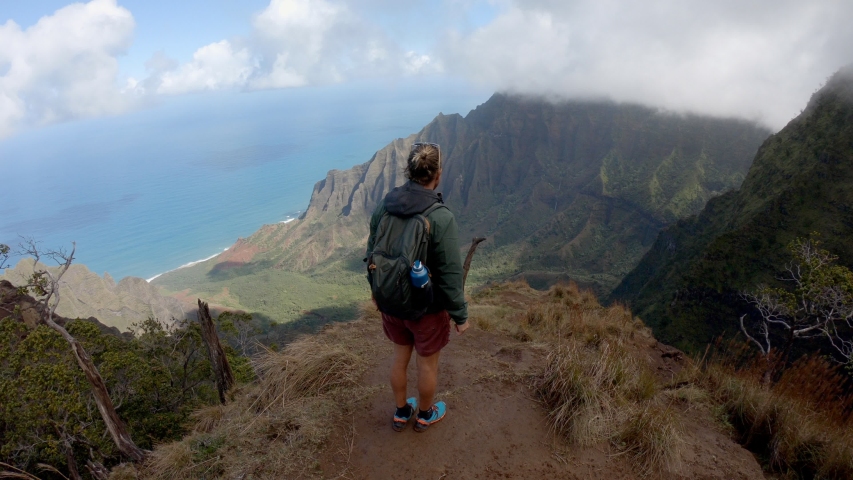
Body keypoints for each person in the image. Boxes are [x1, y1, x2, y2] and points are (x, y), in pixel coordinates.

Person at [365, 141, 469, 433]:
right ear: (438, 174)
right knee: (427, 365)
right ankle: (424, 415)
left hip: (391, 302)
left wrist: (377, 292)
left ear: (408, 171)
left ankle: (401, 412)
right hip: (426, 308)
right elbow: (449, 272)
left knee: (400, 358)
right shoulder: (440, 216)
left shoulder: (386, 205)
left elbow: (372, 252)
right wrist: (460, 316)